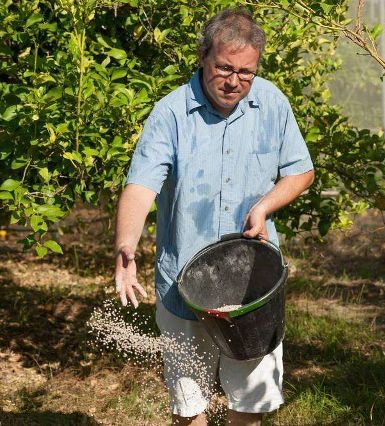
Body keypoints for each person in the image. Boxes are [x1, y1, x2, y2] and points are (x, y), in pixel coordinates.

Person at [113, 8, 314, 426]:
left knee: (250, 402)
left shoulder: (272, 103)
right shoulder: (170, 113)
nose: (234, 81)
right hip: (182, 285)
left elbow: (301, 170)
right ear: (204, 56)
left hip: (251, 287)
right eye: (224, 67)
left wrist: (264, 206)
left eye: (246, 72)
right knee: (189, 409)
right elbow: (141, 186)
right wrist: (126, 246)